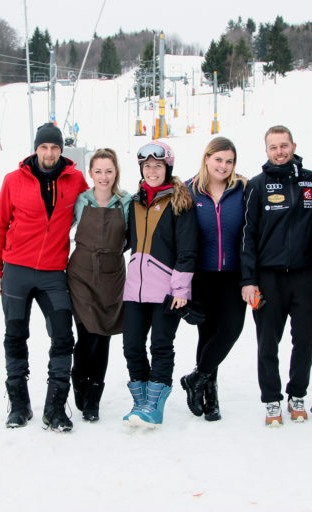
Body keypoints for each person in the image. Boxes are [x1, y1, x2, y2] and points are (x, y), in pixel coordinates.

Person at [0, 122, 88, 432]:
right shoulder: (13, 180)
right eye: (44, 147)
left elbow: (96, 206)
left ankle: (55, 407)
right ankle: (19, 405)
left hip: (52, 272)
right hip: (16, 270)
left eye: (55, 148)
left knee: (63, 334)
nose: (49, 153)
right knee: (15, 335)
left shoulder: (75, 180)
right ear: (36, 148)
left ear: (62, 150)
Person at [240, 126, 312, 427]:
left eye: (284, 146)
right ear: (266, 151)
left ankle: (297, 394)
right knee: (267, 342)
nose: (279, 151)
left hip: (305, 275)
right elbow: (248, 236)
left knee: (305, 340)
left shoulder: (311, 180)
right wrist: (248, 280)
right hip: (269, 278)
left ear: (293, 145)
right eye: (273, 147)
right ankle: (271, 399)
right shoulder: (258, 186)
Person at [122, 141, 197, 428]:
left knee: (161, 346)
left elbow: (188, 249)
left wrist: (181, 289)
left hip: (167, 289)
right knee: (131, 346)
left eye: (158, 166)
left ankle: (154, 404)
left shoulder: (180, 201)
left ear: (168, 168)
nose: (152, 171)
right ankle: (140, 401)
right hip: (135, 290)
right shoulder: (134, 202)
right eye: (147, 166)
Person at [179, 137, 247, 422]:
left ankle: (196, 378)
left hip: (233, 275)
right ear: (207, 158)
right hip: (201, 276)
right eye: (218, 159)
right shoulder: (187, 191)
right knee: (206, 335)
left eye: (229, 161)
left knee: (230, 329)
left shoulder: (243, 189)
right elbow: (178, 239)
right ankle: (210, 396)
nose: (224, 166)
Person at [67, 148, 132, 422]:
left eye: (108, 170)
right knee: (86, 335)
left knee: (102, 336)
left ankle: (93, 397)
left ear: (115, 171)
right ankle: (78, 378)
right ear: (90, 173)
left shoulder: (126, 202)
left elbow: (132, 239)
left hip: (111, 276)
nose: (103, 177)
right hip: (81, 274)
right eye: (98, 171)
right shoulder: (81, 200)